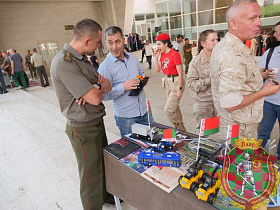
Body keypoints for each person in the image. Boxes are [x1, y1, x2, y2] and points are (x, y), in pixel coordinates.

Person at [50, 18, 113, 210]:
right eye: (97, 42)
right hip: (82, 129)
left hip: (95, 121)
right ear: (86, 41)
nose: (98, 46)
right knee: (90, 177)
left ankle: (104, 196)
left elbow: (106, 86)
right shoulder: (64, 63)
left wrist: (94, 87)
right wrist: (95, 88)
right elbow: (95, 98)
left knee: (101, 165)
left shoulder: (81, 59)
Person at [210, 0, 280, 141]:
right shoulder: (231, 54)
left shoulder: (234, 47)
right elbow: (230, 103)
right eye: (252, 18)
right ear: (234, 24)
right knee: (239, 162)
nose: (259, 23)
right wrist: (264, 92)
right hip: (239, 131)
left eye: (259, 17)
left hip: (240, 126)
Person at [98, 26, 153, 137]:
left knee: (151, 144)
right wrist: (123, 86)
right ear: (105, 43)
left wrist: (143, 79)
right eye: (110, 43)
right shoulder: (104, 68)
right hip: (126, 118)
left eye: (117, 42)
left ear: (124, 40)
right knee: (132, 150)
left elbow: (141, 73)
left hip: (144, 111)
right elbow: (104, 95)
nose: (114, 47)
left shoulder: (132, 58)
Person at [186, 29, 219, 133]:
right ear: (203, 43)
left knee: (222, 136)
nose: (216, 43)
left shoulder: (221, 59)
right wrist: (209, 81)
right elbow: (191, 83)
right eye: (213, 40)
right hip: (204, 105)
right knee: (205, 137)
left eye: (217, 39)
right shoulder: (196, 62)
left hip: (220, 103)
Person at [154, 33, 186, 131]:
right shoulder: (162, 55)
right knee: (175, 108)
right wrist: (156, 58)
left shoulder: (174, 54)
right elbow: (157, 70)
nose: (157, 47)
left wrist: (180, 89)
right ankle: (183, 131)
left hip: (176, 81)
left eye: (159, 44)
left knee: (168, 110)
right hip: (167, 81)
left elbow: (181, 73)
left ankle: (179, 128)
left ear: (166, 44)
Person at [258, 21, 280, 161]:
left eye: (278, 32)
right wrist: (267, 75)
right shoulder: (270, 53)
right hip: (268, 102)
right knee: (263, 133)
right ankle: (259, 159)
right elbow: (259, 72)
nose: (275, 35)